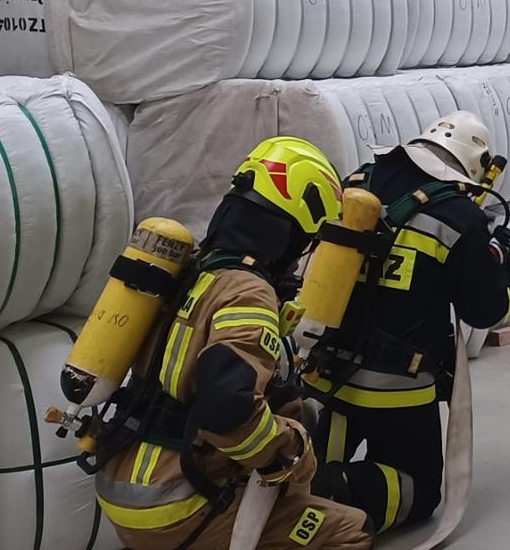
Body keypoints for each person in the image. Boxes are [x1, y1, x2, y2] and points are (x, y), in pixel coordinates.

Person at [96, 138, 373, 550]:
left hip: (122, 482)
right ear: (291, 231)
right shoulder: (248, 292)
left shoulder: (193, 270)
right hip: (174, 504)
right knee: (351, 530)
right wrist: (292, 450)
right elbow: (227, 410)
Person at [305, 111, 510, 535]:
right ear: (476, 165)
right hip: (397, 391)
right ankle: (333, 494)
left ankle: (310, 483)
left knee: (319, 458)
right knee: (420, 490)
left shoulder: (361, 180)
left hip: (325, 374)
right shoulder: (459, 216)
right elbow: (484, 310)